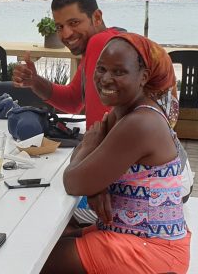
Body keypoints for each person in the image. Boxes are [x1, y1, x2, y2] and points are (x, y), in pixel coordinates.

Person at [42, 33, 190, 274]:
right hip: (130, 235)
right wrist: (95, 184)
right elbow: (82, 171)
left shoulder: (140, 123)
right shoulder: (123, 112)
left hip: (152, 250)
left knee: (37, 259)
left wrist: (89, 147)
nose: (105, 79)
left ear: (143, 77)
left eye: (119, 72)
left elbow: (73, 181)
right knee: (48, 239)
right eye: (101, 69)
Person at [12, 0, 123, 128]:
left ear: (97, 18)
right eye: (60, 27)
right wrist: (35, 81)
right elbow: (73, 101)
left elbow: (101, 129)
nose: (66, 34)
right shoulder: (111, 42)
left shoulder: (100, 43)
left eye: (74, 23)